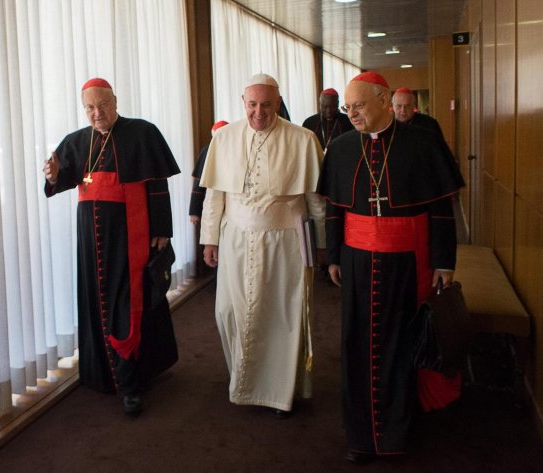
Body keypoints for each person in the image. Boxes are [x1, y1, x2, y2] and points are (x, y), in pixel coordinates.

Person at [316, 71, 465, 464]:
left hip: (408, 261)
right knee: (357, 344)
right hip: (356, 259)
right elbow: (335, 208)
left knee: (401, 344)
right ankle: (360, 434)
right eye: (348, 108)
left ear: (385, 101)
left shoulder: (422, 142)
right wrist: (332, 256)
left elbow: (440, 209)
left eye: (359, 106)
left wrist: (444, 261)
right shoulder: (343, 147)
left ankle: (397, 431)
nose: (352, 115)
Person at [43, 77, 180, 417]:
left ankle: (131, 381)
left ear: (114, 101)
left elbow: (158, 185)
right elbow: (60, 179)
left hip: (130, 234)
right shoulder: (77, 141)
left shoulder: (142, 133)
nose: (96, 113)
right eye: (89, 107)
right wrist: (52, 175)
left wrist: (162, 229)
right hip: (92, 240)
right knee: (96, 299)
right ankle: (99, 372)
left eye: (102, 105)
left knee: (128, 301)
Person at [198, 74, 325, 418]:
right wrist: (209, 239)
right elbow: (214, 196)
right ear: (243, 102)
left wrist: (325, 246)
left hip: (285, 242)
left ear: (277, 102)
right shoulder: (224, 139)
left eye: (266, 104)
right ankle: (243, 382)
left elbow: (315, 199)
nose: (258, 112)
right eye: (252, 104)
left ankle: (280, 393)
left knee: (281, 317)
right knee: (229, 312)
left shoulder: (303, 139)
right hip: (236, 239)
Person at [189, 121, 229, 277]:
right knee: (212, 245)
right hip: (210, 207)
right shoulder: (208, 150)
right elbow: (198, 186)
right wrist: (194, 211)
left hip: (229, 211)